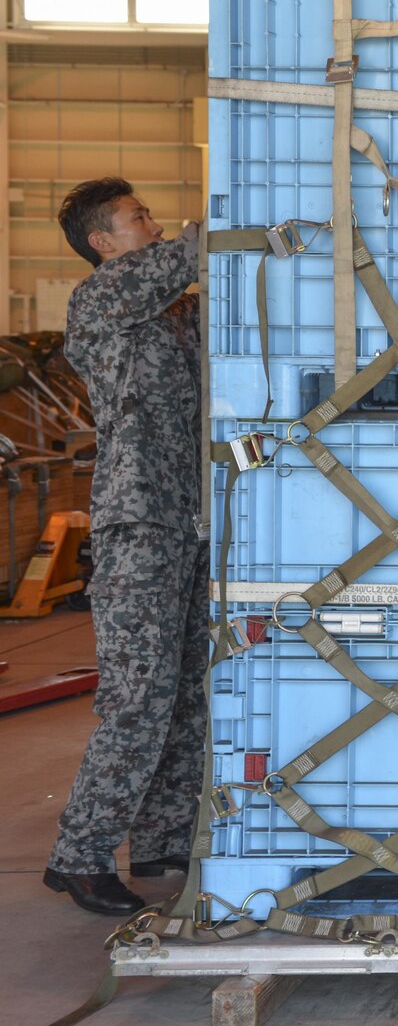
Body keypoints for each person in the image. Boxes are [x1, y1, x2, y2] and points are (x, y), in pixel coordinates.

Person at [45, 178, 206, 916]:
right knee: (139, 695)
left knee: (187, 688)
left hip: (192, 521)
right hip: (137, 522)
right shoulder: (103, 299)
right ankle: (79, 855)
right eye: (137, 216)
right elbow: (189, 255)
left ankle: (162, 836)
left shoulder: (176, 315)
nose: (153, 222)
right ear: (104, 241)